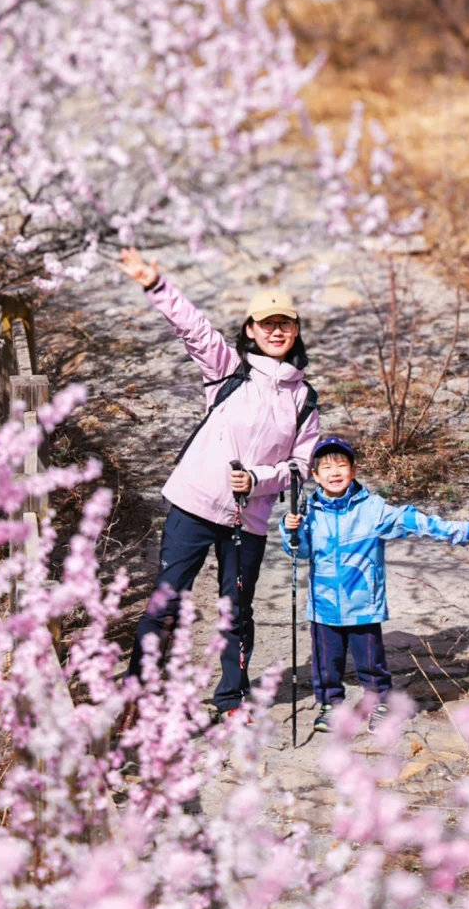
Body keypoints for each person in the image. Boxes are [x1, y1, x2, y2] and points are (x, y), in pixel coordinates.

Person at [120, 246, 320, 720]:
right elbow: (191, 327)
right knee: (166, 602)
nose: (275, 331)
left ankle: (232, 698)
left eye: (284, 324)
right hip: (194, 504)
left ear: (295, 332)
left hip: (246, 519)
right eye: (266, 323)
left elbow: (303, 465)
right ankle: (136, 695)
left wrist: (258, 478)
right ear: (250, 329)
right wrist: (155, 284)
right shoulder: (229, 369)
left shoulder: (304, 397)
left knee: (236, 610)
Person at [281, 435, 469, 733]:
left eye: (342, 465)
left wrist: (454, 530)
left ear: (353, 471)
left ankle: (380, 703)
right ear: (316, 476)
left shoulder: (372, 509)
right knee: (326, 663)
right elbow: (301, 550)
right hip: (323, 606)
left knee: (371, 661)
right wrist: (288, 529)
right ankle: (331, 705)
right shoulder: (308, 513)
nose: (335, 472)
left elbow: (409, 520)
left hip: (363, 604)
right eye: (327, 468)